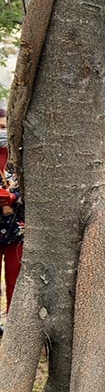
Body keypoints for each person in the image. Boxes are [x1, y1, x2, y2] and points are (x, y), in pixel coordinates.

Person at [0, 109, 22, 333]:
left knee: (16, 279)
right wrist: (11, 196)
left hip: (17, 227)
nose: (2, 132)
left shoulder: (19, 155)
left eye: (5, 127)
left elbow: (29, 187)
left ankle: (14, 326)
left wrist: (14, 197)